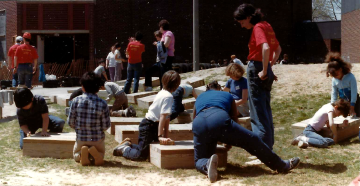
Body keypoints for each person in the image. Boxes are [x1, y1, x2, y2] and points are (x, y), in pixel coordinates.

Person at [192, 81, 300, 183]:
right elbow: (234, 118)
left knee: (199, 158)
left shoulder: (200, 97)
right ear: (219, 89)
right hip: (218, 118)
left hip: (198, 123)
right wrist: (229, 140)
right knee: (252, 140)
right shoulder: (227, 95)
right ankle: (282, 165)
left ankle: (206, 165)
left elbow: (194, 116)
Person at [234, 3, 282, 150]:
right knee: (265, 109)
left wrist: (264, 70)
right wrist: (268, 67)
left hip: (256, 68)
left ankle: (262, 151)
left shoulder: (258, 27)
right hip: (264, 67)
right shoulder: (267, 25)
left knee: (257, 111)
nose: (242, 26)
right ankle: (268, 149)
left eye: (242, 22)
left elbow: (266, 47)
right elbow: (278, 49)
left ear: (249, 17)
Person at [113, 70, 181, 160]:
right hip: (148, 126)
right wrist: (161, 136)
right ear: (176, 85)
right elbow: (163, 117)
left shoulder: (163, 92)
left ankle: (130, 145)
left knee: (149, 151)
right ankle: (124, 149)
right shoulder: (168, 96)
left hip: (153, 125)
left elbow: (167, 118)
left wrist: (165, 136)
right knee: (140, 156)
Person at [68, 72, 111, 166]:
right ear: (99, 88)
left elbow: (70, 122)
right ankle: (97, 154)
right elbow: (106, 126)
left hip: (81, 138)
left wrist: (79, 128)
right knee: (101, 153)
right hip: (97, 139)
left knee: (75, 154)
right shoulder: (103, 103)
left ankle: (81, 155)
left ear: (82, 87)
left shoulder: (75, 101)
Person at [325, 52, 359, 117]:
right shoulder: (334, 80)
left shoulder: (350, 77)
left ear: (340, 69)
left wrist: (352, 108)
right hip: (343, 102)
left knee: (356, 117)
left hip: (354, 101)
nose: (336, 77)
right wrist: (333, 105)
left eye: (336, 75)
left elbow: (354, 93)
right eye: (333, 76)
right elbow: (334, 93)